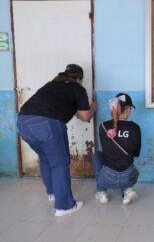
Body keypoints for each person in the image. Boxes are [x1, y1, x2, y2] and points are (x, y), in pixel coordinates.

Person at [17, 64, 96, 217]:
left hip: (23, 121)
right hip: (47, 123)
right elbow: (85, 117)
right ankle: (64, 206)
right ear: (79, 78)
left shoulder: (51, 84)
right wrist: (93, 108)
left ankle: (52, 193)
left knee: (46, 158)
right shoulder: (77, 89)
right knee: (60, 164)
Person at [92, 93, 141, 205]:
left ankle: (101, 192)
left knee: (97, 155)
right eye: (129, 109)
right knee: (127, 162)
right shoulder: (135, 128)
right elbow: (136, 153)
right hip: (127, 177)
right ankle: (127, 190)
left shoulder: (103, 126)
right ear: (128, 109)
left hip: (107, 177)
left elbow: (106, 150)